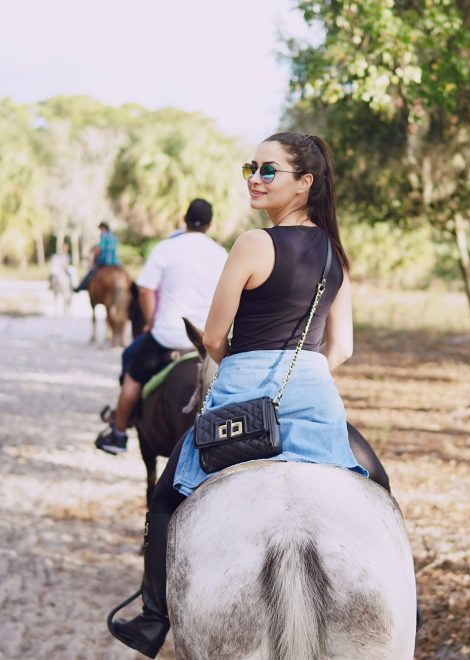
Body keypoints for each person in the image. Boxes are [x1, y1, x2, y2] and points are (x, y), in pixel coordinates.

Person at [106, 133, 394, 658]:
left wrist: (250, 362)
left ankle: (152, 619)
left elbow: (214, 339)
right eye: (251, 168)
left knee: (168, 495)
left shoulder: (252, 244)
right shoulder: (335, 253)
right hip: (312, 392)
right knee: (378, 483)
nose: (254, 179)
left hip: (241, 391)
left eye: (268, 171)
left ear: (305, 183)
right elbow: (343, 348)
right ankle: (406, 602)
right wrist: (304, 370)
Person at [95, 199, 228, 455]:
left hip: (167, 338)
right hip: (207, 343)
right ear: (210, 225)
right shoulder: (220, 254)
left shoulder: (166, 249)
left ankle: (119, 432)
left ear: (184, 219)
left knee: (131, 367)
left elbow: (145, 289)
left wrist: (150, 320)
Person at [75, 222, 120, 292]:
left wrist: (94, 252)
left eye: (100, 230)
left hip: (105, 261)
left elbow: (98, 249)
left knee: (92, 272)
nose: (100, 232)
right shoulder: (113, 237)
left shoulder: (104, 236)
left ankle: (81, 286)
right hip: (116, 262)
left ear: (103, 228)